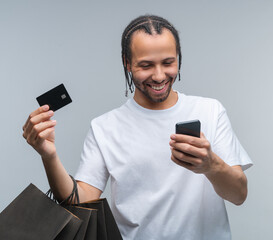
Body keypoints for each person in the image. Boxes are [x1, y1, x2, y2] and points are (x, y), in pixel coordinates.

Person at [22, 15, 252, 240]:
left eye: (168, 62)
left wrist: (211, 165)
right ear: (127, 62)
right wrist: (49, 155)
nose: (160, 75)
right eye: (146, 65)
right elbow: (80, 203)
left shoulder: (210, 111)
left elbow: (239, 194)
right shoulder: (105, 127)